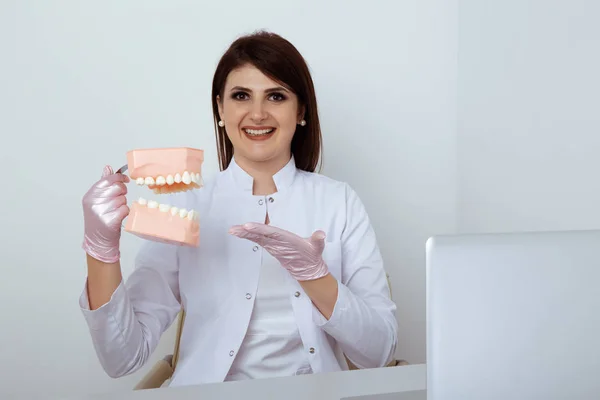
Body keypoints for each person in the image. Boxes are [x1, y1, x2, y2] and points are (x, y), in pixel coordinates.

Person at [80, 30, 398, 387]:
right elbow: (123, 357)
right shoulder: (186, 205)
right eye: (241, 96)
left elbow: (380, 352)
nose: (257, 113)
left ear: (301, 111)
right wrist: (101, 251)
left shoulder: (339, 202)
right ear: (220, 108)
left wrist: (316, 277)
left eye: (276, 96)